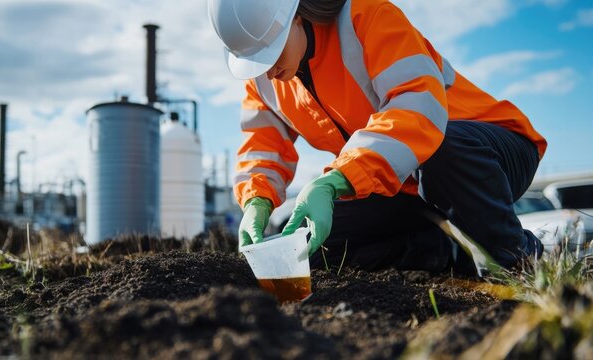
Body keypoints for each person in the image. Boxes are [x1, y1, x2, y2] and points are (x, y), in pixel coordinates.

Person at [208, 0, 547, 274]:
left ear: (296, 15)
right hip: (405, 183)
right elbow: (262, 146)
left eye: (269, 52)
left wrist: (335, 181)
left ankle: (516, 259)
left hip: (486, 154)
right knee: (315, 244)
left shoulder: (367, 16)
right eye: (253, 60)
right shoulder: (264, 82)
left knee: (439, 150)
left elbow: (417, 110)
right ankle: (440, 250)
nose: (266, 70)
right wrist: (256, 201)